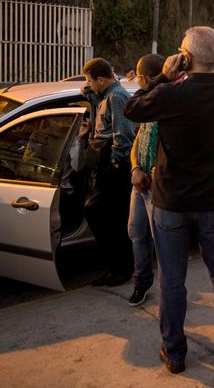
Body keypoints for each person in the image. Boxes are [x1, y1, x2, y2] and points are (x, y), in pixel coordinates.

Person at [124, 26, 214, 376]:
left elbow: (131, 108)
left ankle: (174, 353)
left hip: (170, 202)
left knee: (172, 279)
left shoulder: (171, 93)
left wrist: (161, 78)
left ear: (184, 57)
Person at [81, 57, 136, 287]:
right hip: (106, 162)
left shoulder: (116, 97)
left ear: (102, 79)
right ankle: (117, 266)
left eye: (90, 80)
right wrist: (88, 86)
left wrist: (112, 168)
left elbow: (122, 138)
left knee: (102, 214)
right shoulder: (103, 94)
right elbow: (89, 92)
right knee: (111, 217)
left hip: (115, 164)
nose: (88, 85)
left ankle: (121, 268)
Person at [127, 53, 164, 307]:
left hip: (158, 187)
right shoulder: (145, 104)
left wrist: (150, 174)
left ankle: (168, 290)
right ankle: (141, 281)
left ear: (147, 78)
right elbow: (138, 140)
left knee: (162, 242)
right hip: (138, 182)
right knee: (136, 233)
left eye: (138, 76)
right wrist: (134, 169)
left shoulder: (167, 103)